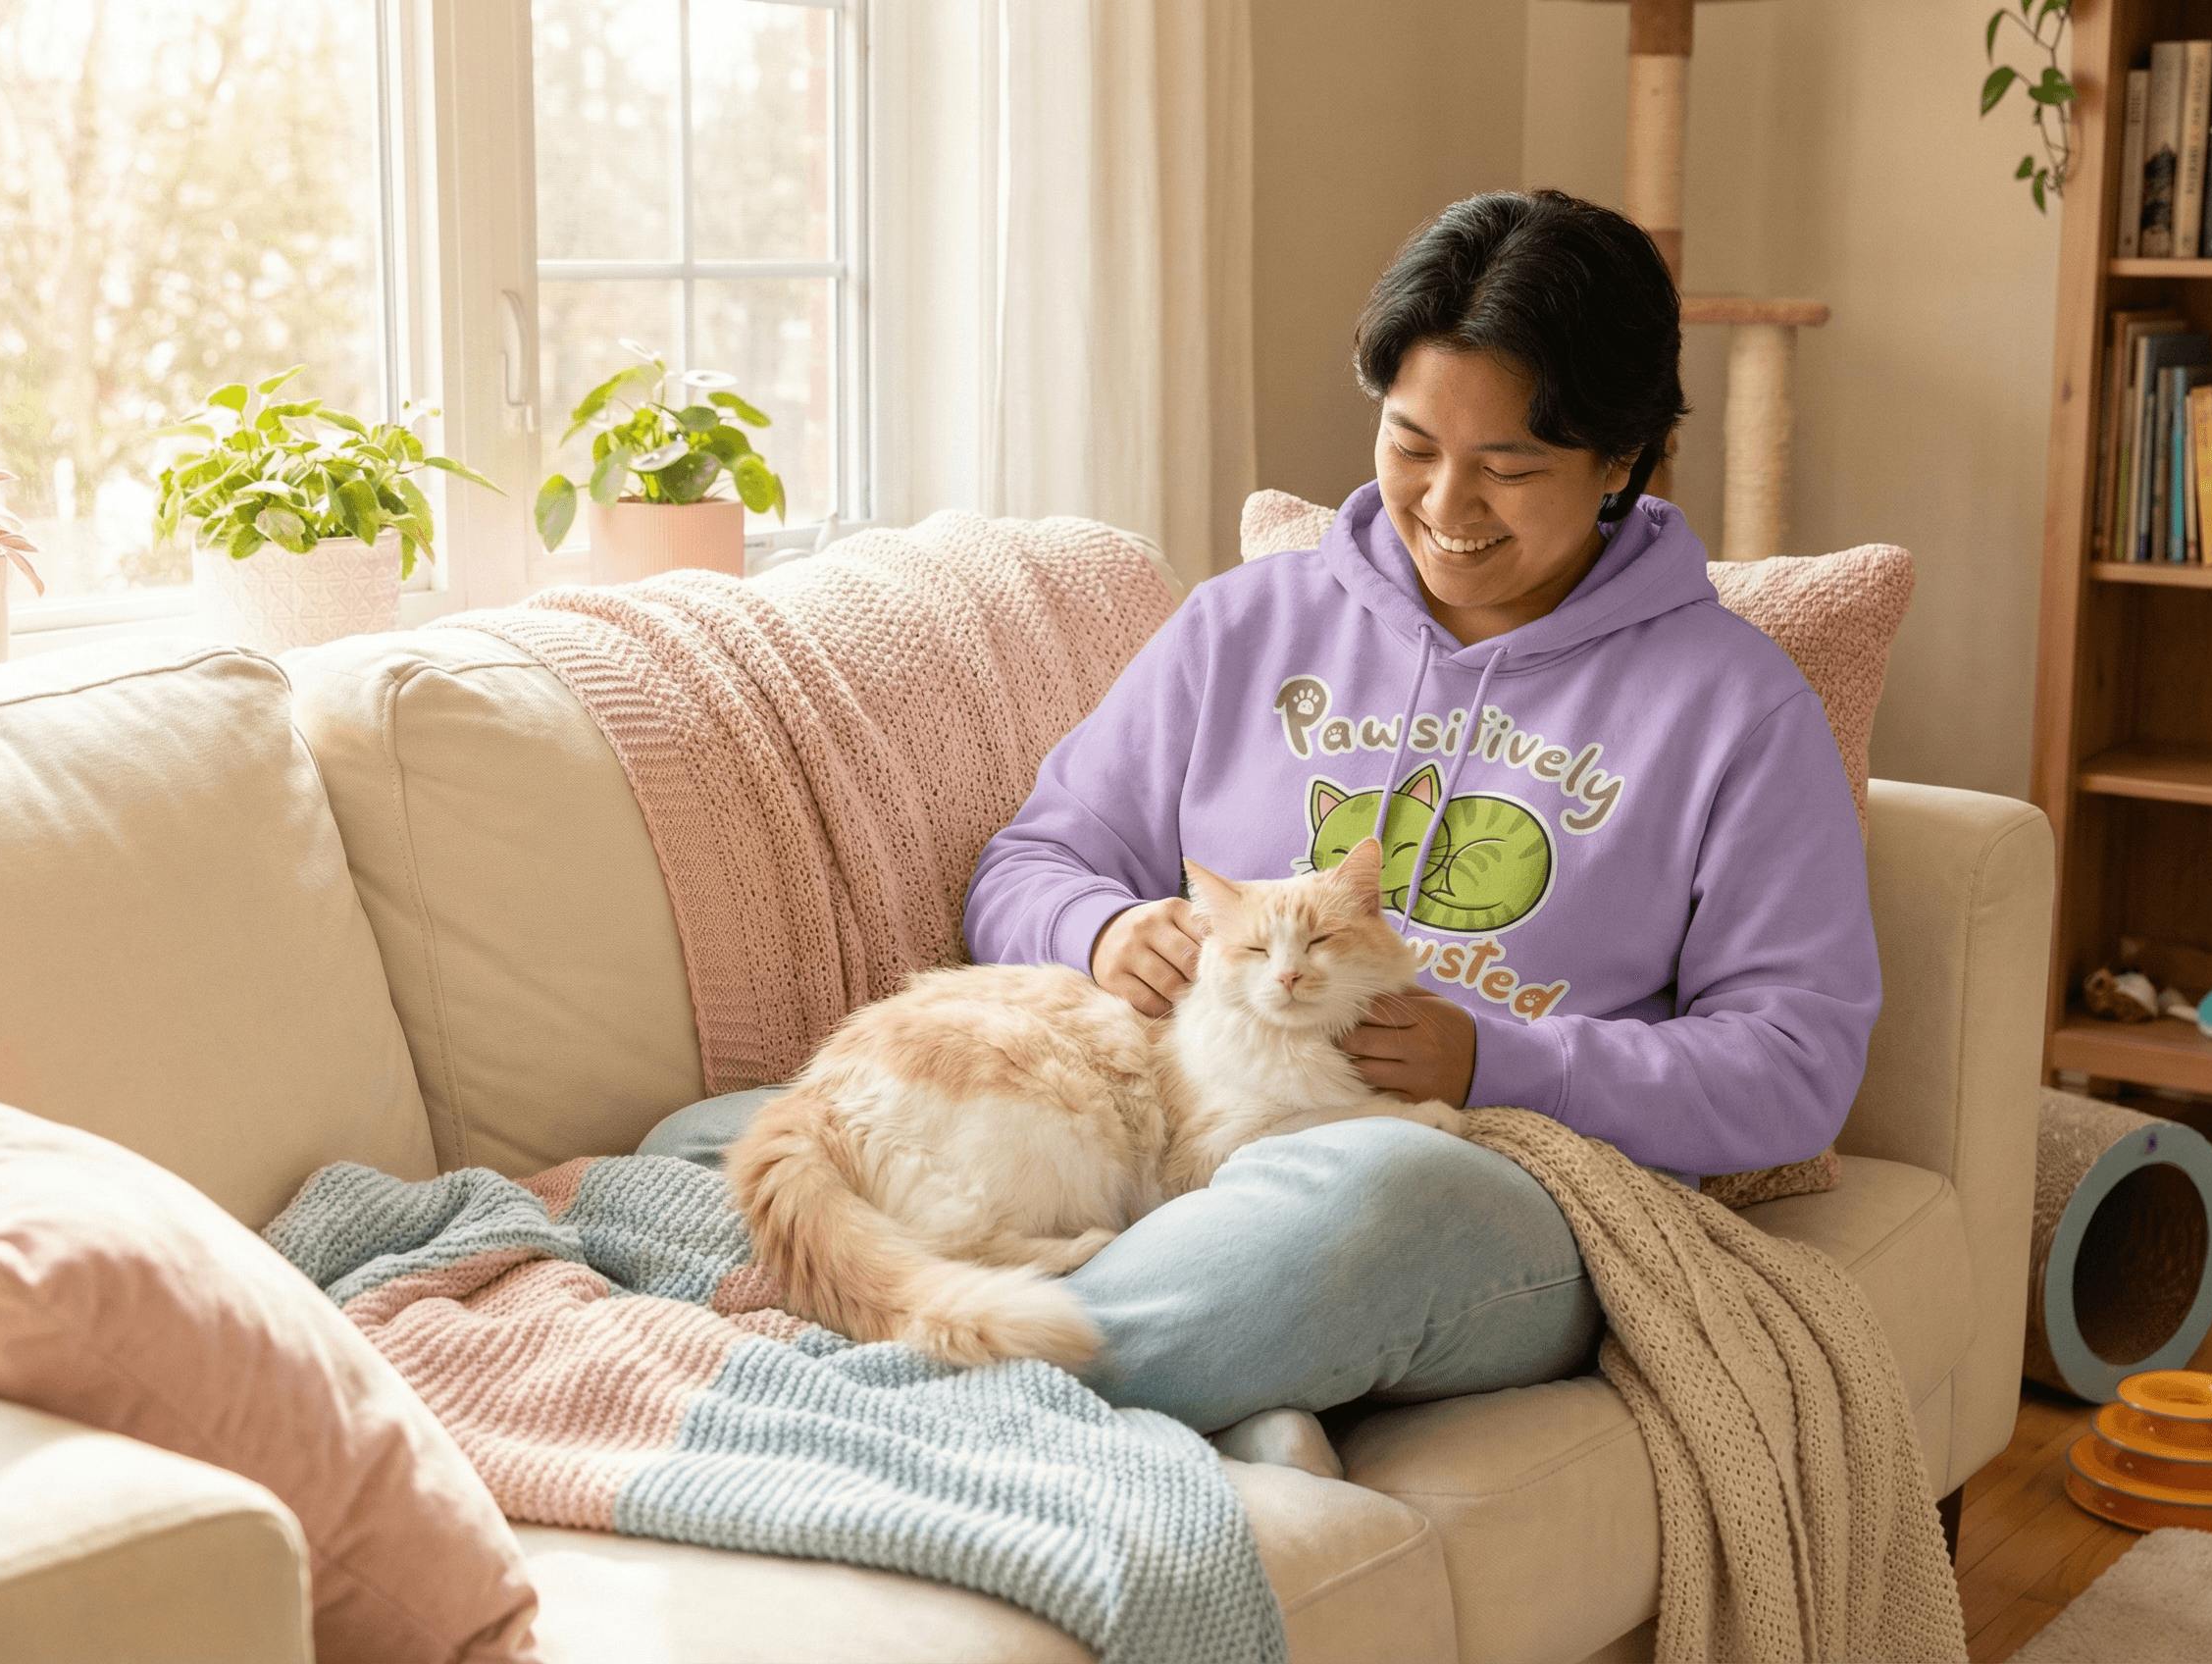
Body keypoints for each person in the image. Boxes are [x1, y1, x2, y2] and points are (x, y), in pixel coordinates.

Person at [649, 189, 1879, 1457]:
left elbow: (1798, 1069)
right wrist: (1104, 927)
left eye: (1509, 467)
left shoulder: (1737, 706)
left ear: (1621, 461)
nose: (1449, 504)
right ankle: (1097, 1360)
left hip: (1489, 1174)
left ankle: (902, 1378)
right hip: (1188, 1139)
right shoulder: (1246, 626)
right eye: (1411, 445)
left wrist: (1497, 1061)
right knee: (717, 1140)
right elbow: (1032, 862)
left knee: (1360, 1206)